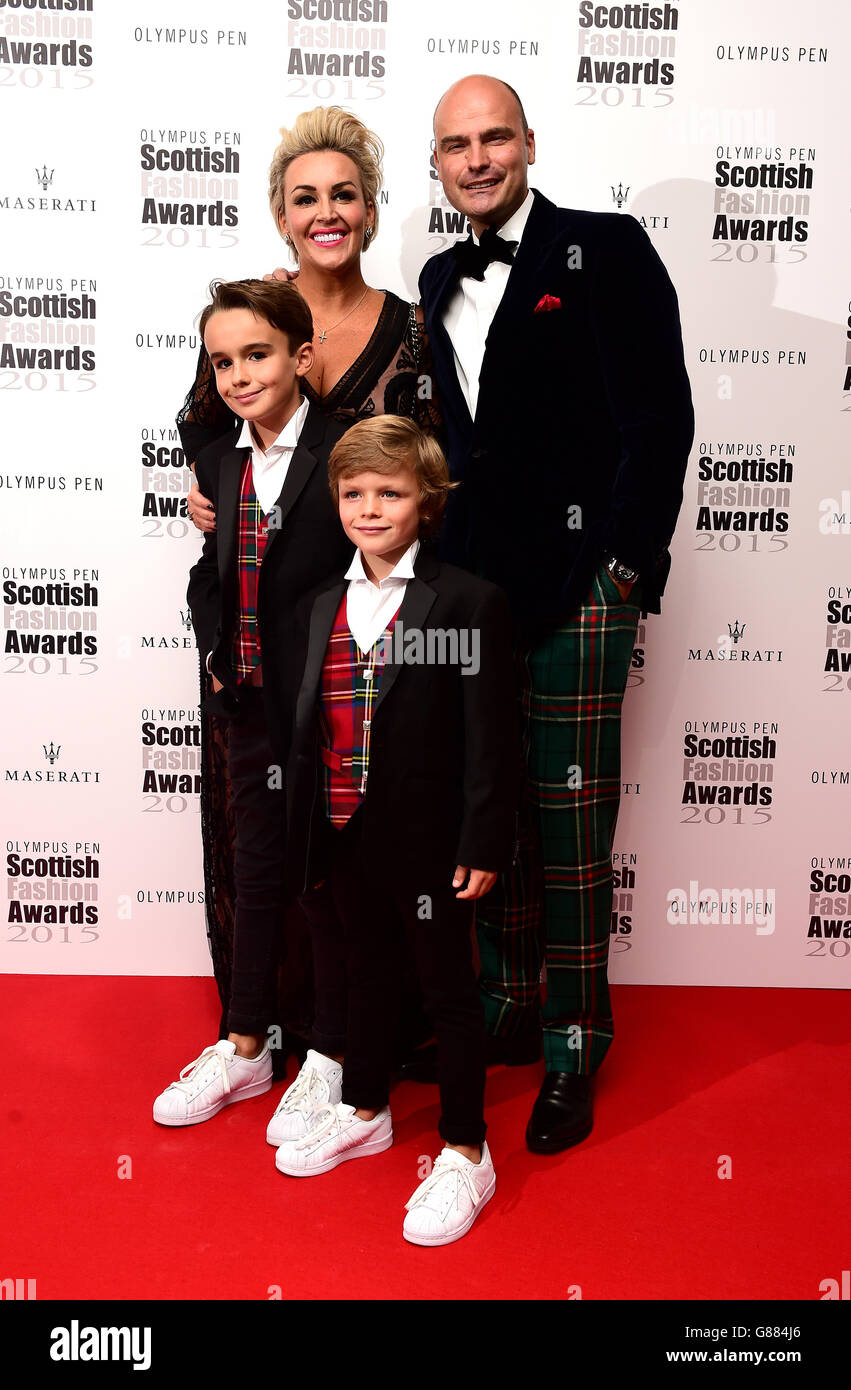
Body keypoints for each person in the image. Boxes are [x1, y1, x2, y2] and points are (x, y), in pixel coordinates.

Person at [417, 75, 694, 1152]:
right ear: (435, 163)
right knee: (492, 815)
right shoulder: (438, 279)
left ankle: (576, 1038)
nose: (477, 158)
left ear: (527, 141)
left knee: (572, 831)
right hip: (476, 595)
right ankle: (507, 1005)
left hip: (579, 588)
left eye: (494, 137)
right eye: (455, 145)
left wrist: (623, 567)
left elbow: (656, 416)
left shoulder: (606, 247)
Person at [177, 108, 438, 1070]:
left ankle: (348, 1051)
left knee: (349, 856)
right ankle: (254, 1033)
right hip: (251, 639)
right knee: (257, 849)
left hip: (363, 643)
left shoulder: (413, 329)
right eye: (303, 198)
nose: (324, 212)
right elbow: (205, 426)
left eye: (342, 194)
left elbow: (439, 466)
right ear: (281, 217)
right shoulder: (256, 314)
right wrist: (209, 491)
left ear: (367, 211)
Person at [275, 416, 518, 1246]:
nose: (369, 508)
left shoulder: (465, 601)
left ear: (427, 501)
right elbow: (307, 731)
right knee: (365, 974)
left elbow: (491, 736)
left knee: (447, 991)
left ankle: (464, 1149)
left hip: (431, 839)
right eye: (353, 493)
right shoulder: (317, 608)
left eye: (390, 492)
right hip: (341, 831)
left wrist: (483, 839)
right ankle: (365, 1108)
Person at [153, 277, 352, 1129]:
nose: (238, 375)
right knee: (257, 871)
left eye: (258, 355)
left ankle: (334, 1057)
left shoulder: (347, 450)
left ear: (302, 358)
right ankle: (246, 1046)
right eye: (222, 361)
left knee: (332, 883)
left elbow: (377, 578)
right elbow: (211, 576)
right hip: (245, 706)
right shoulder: (218, 462)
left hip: (331, 713)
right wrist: (210, 654)